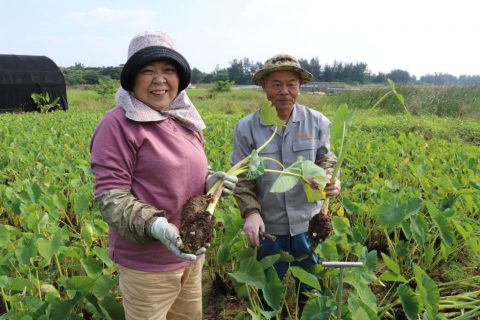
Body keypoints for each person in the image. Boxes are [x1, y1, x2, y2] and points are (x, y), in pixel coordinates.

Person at [90, 31, 237, 320]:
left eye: (168, 70)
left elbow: (182, 171)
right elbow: (111, 197)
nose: (160, 80)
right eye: (148, 71)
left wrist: (210, 181)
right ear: (133, 78)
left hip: (191, 254)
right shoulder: (117, 125)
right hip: (147, 265)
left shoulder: (184, 120)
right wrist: (156, 226)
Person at [230, 53, 341, 310]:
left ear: (300, 86)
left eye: (291, 84)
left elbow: (327, 160)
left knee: (311, 295)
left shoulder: (317, 122)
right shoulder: (246, 128)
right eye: (276, 84)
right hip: (268, 227)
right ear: (264, 86)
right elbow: (242, 177)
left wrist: (332, 181)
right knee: (269, 295)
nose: (284, 91)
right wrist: (251, 212)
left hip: (308, 223)